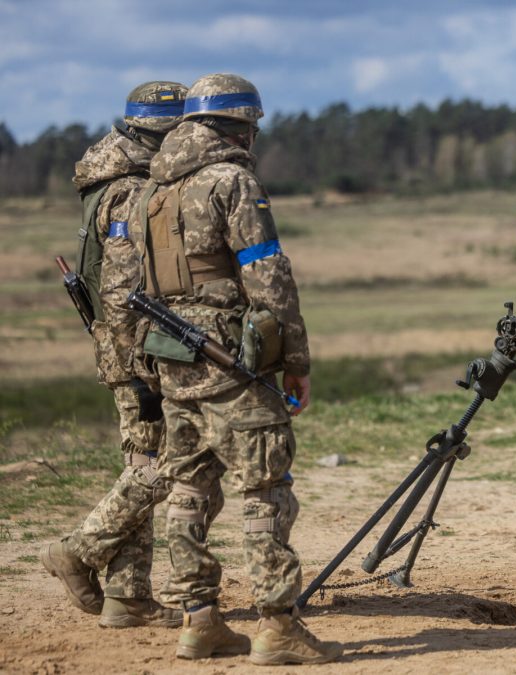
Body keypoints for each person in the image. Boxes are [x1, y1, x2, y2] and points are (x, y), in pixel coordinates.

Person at [132, 73, 340, 665]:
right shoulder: (233, 181)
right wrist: (294, 359)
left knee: (188, 489)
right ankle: (277, 626)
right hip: (231, 363)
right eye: (252, 125)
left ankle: (200, 621)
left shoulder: (154, 191)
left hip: (174, 361)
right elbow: (267, 276)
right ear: (239, 125)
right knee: (265, 489)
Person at [40, 81, 223, 629]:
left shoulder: (117, 181)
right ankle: (77, 549)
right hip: (138, 354)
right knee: (172, 463)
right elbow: (123, 295)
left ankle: (126, 599)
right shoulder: (129, 192)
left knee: (141, 465)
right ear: (162, 132)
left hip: (130, 352)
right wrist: (145, 367)